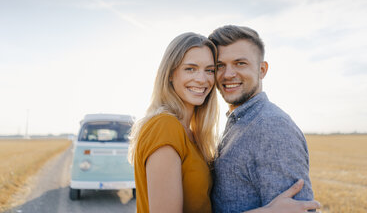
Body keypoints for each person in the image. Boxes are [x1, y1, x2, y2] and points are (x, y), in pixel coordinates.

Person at [128, 32, 320, 213]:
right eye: (190, 69)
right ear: (170, 74)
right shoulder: (164, 126)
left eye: (210, 70)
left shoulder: (193, 133)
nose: (202, 79)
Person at [209, 25, 316, 213]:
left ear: (262, 70)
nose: (228, 74)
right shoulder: (239, 122)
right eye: (220, 66)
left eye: (240, 63)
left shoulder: (271, 127)